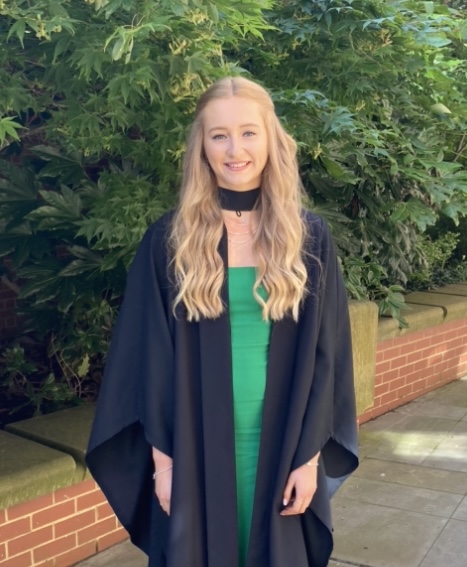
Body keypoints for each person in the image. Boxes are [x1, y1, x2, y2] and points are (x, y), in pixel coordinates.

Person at [86, 76, 359, 567]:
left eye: (249, 132)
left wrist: (310, 457)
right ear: (202, 148)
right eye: (219, 135)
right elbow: (149, 359)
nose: (236, 149)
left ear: (272, 139)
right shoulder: (170, 240)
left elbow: (329, 356)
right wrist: (163, 463)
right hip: (195, 441)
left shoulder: (309, 238)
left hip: (281, 438)